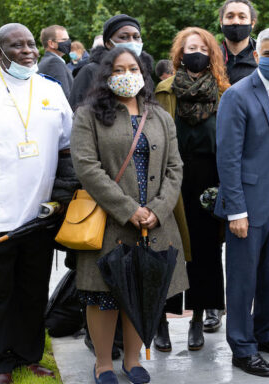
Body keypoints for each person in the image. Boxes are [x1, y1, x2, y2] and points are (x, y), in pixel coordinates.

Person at [0, 23, 72, 384]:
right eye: (16, 45)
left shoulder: (51, 90)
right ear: (0, 51)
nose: (27, 50)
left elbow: (67, 146)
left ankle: (27, 355)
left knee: (32, 287)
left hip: (40, 214)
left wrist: (64, 197)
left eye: (30, 44)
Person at [70, 47, 188, 384]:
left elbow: (175, 167)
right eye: (118, 69)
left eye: (132, 68)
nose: (126, 75)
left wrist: (158, 209)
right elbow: (87, 167)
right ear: (106, 76)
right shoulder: (88, 114)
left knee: (144, 291)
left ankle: (133, 361)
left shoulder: (159, 116)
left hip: (154, 224)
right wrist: (128, 209)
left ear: (143, 73)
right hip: (110, 223)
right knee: (104, 296)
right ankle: (104, 364)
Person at [214, 26, 269, 377]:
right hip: (247, 204)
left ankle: (263, 333)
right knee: (242, 279)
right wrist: (236, 209)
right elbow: (228, 158)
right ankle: (242, 347)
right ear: (256, 55)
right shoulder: (237, 96)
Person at [154, 27, 230, 350]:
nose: (194, 51)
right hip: (172, 180)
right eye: (189, 47)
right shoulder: (165, 90)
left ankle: (198, 318)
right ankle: (161, 322)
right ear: (179, 54)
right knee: (167, 251)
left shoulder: (224, 93)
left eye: (201, 46)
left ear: (211, 52)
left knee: (204, 253)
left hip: (207, 183)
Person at [69, 14, 155, 110]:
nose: (132, 42)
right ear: (109, 44)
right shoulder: (90, 70)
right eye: (124, 37)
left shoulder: (143, 72)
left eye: (136, 37)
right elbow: (75, 110)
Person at [219, 0, 258, 85]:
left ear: (252, 23)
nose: (236, 21)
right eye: (230, 16)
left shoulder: (264, 57)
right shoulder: (211, 57)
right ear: (221, 22)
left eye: (242, 17)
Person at [38, 25, 73, 97]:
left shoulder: (46, 61)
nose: (68, 43)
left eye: (68, 39)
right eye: (64, 40)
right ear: (51, 43)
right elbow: (65, 96)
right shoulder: (54, 62)